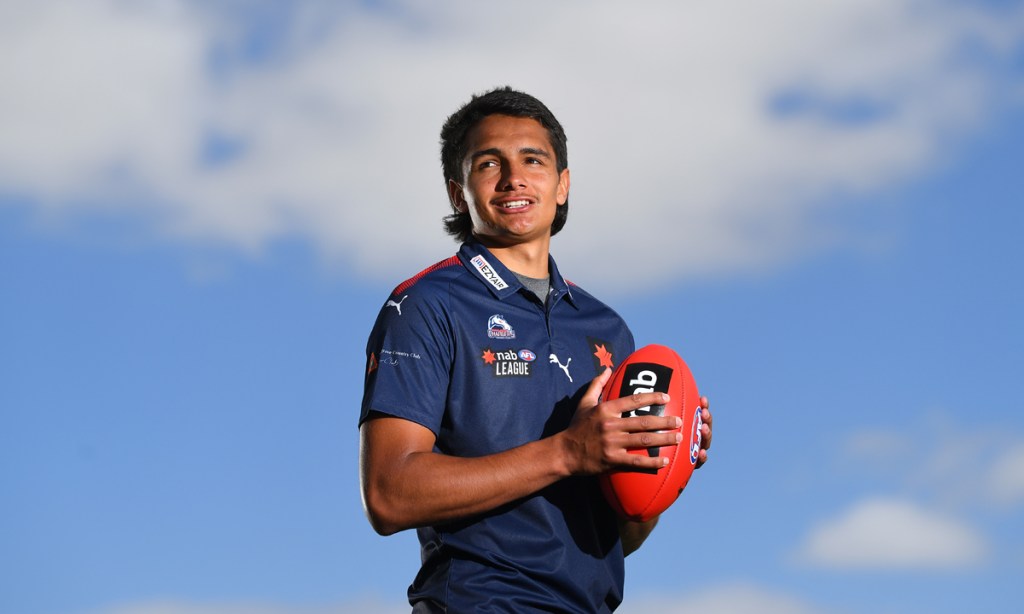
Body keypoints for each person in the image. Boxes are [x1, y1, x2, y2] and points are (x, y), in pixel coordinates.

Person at [359, 86, 713, 612]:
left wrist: (664, 463)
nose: (513, 178)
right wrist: (568, 451)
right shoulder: (425, 304)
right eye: (488, 163)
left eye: (533, 159)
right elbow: (388, 494)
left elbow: (620, 536)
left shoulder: (607, 328)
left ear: (562, 184)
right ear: (459, 193)